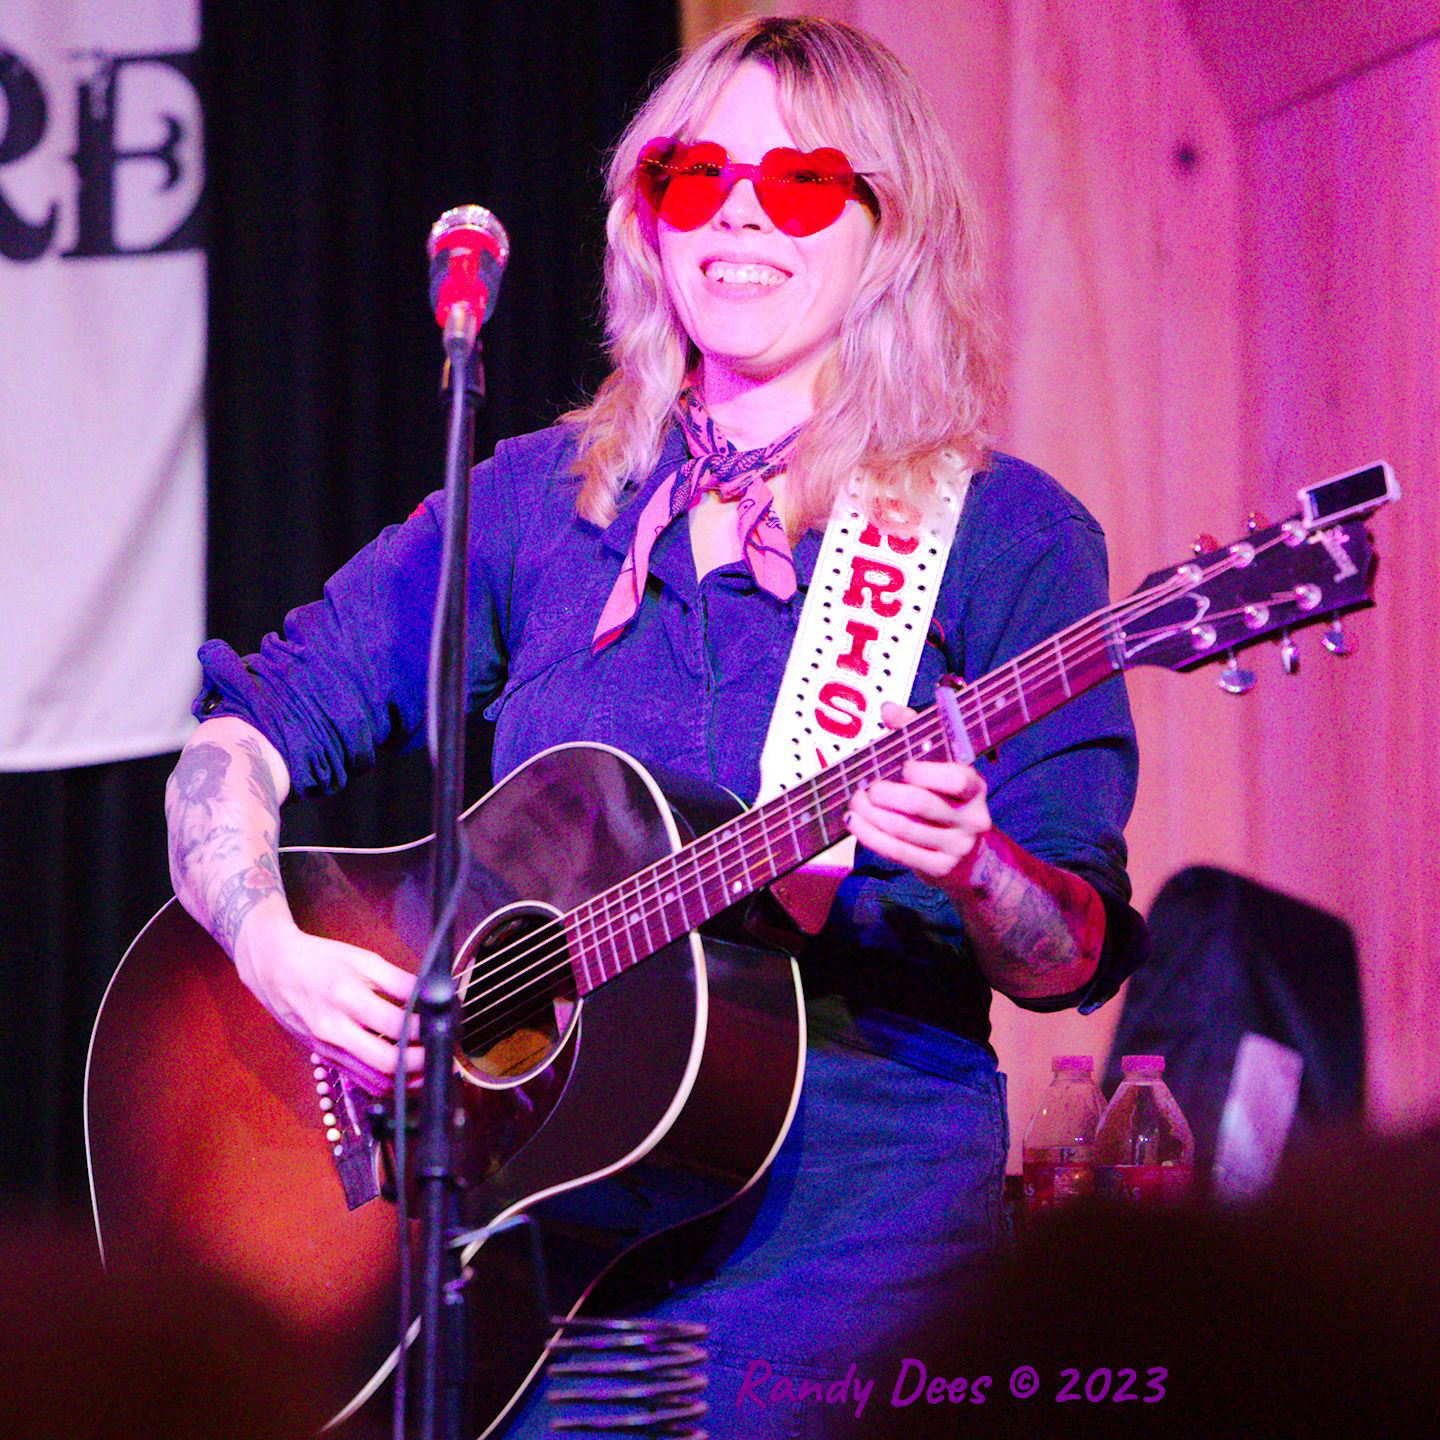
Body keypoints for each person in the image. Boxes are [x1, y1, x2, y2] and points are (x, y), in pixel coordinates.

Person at [165, 16, 1145, 1436]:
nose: (740, 211)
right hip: (525, 1261)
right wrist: (269, 943)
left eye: (804, 183)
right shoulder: (535, 503)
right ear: (649, 217)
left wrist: (971, 865)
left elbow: (1073, 956)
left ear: (892, 228)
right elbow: (244, 728)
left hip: (854, 1264)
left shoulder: (1003, 532)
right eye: (697, 177)